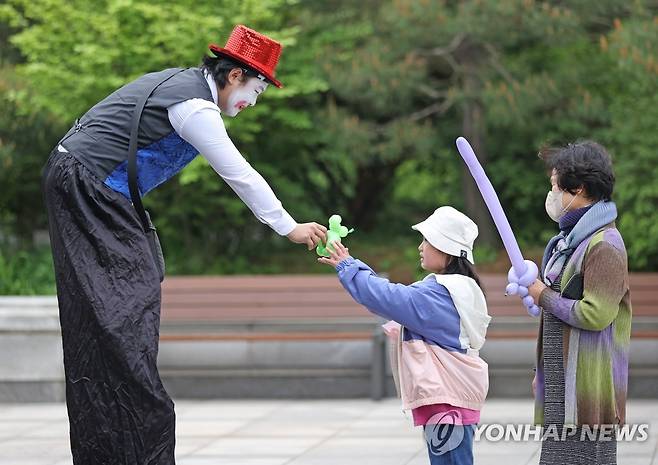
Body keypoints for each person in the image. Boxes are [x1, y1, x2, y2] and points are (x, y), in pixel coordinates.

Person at [42, 25, 327, 465]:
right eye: (256, 89)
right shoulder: (194, 105)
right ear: (234, 76)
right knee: (122, 310)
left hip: (86, 185)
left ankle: (119, 440)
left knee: (121, 304)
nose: (253, 103)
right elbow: (239, 172)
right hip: (86, 185)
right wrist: (289, 227)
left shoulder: (183, 86)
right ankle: (133, 435)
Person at [319, 206, 491, 465]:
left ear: (445, 247)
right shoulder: (458, 288)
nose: (420, 247)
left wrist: (348, 265)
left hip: (448, 400)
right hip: (452, 396)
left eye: (426, 240)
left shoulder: (443, 292)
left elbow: (388, 298)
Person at [523, 141, 631, 465]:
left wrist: (543, 294)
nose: (552, 195)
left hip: (587, 393)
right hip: (562, 383)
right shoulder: (571, 242)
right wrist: (542, 370)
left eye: (555, 186)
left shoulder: (604, 244)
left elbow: (594, 314)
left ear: (578, 188)